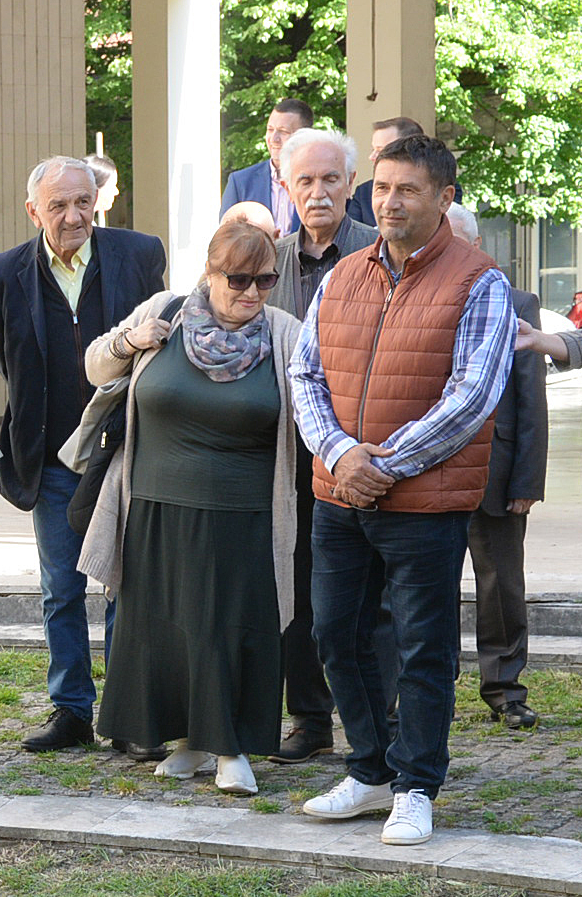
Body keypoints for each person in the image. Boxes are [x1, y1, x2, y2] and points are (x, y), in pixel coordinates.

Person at [288, 132, 514, 847]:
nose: (388, 201)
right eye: (381, 188)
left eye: (406, 189)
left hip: (423, 503)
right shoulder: (342, 275)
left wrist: (382, 461)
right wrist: (340, 452)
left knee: (423, 649)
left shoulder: (481, 281)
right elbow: (304, 376)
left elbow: (472, 397)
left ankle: (416, 785)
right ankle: (370, 770)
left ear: (444, 197)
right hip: (338, 495)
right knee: (335, 634)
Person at [80, 219, 305, 796]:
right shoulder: (167, 310)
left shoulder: (285, 332)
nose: (251, 293)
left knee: (227, 627)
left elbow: (313, 404)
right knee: (162, 627)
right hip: (153, 502)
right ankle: (188, 740)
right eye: (238, 279)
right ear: (209, 272)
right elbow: (96, 365)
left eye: (265, 280)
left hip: (244, 511)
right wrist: (130, 342)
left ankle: (231, 747)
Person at [0, 155, 168, 753]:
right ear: (33, 210)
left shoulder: (139, 255)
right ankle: (70, 710)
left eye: (82, 201)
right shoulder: (1, 273)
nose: (73, 215)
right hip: (52, 458)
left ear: (99, 201)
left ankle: (127, 712)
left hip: (127, 451)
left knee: (127, 585)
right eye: (58, 205)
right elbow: (11, 364)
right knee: (61, 589)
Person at [268, 127, 379, 762]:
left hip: (367, 456)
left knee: (375, 599)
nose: (317, 192)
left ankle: (377, 719)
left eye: (330, 179)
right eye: (304, 180)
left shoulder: (379, 252)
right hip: (291, 462)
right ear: (284, 186)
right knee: (299, 594)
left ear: (351, 185)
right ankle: (308, 718)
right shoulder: (267, 262)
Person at [456, 203, 549, 730]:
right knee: (427, 588)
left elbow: (530, 397)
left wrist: (526, 481)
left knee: (501, 586)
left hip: (500, 470)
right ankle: (427, 687)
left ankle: (505, 689)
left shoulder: (518, 302)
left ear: (476, 246)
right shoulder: (418, 298)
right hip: (433, 473)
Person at [224, 98, 313, 233]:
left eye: (283, 131)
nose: (274, 138)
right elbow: (226, 239)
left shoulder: (319, 182)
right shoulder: (240, 182)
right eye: (270, 129)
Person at [345, 116, 425, 229]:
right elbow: (352, 237)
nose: (372, 157)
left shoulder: (438, 188)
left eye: (381, 150)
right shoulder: (364, 192)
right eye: (373, 149)